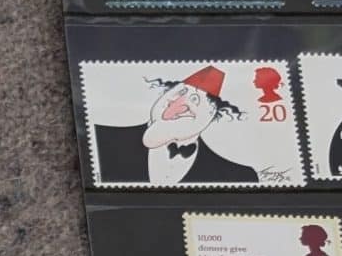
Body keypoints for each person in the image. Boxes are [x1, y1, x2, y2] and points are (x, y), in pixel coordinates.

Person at [93, 68, 260, 187]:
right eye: (180, 92)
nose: (179, 103)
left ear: (211, 114)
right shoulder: (100, 140)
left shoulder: (239, 176)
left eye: (194, 99)